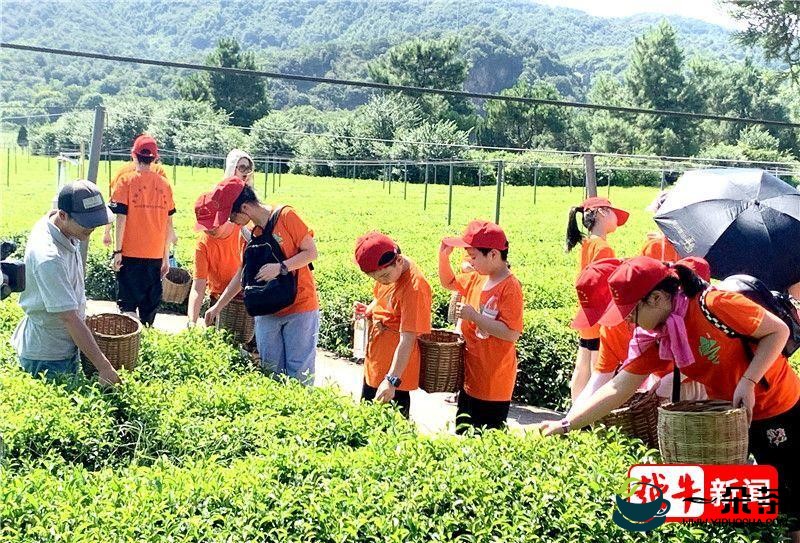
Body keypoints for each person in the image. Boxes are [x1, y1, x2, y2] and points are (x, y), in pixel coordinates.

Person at [540, 256, 800, 540]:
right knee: (750, 499)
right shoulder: (663, 336)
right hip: (731, 417)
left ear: (657, 298)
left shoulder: (714, 305)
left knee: (787, 500)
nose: (628, 321)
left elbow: (778, 331)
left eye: (631, 312)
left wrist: (748, 381)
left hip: (777, 406)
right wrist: (566, 424)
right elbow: (617, 388)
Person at [203, 178, 319, 384]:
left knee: (299, 375)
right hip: (266, 309)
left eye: (232, 215)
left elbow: (311, 252)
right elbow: (242, 274)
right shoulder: (248, 234)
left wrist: (281, 268)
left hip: (300, 305)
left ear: (245, 207)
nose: (231, 221)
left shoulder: (286, 216)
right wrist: (218, 307)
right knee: (270, 373)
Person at [11, 180, 121, 386]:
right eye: (86, 224)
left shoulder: (61, 224)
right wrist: (105, 367)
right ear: (63, 216)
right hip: (47, 357)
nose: (93, 228)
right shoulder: (49, 257)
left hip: (66, 346)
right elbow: (68, 318)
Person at [439, 220, 524, 433]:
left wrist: (474, 317)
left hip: (493, 383)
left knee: (484, 439)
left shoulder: (510, 287)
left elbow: (512, 333)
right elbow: (448, 282)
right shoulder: (478, 277)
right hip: (471, 377)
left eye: (474, 257)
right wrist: (443, 257)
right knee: (464, 432)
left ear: (493, 254)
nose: (470, 262)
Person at [353, 232, 431, 419]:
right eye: (376, 278)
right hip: (377, 363)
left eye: (384, 276)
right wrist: (370, 309)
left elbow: (409, 338)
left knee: (389, 430)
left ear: (398, 260)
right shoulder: (389, 272)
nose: (382, 281)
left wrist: (392, 380)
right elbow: (382, 297)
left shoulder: (415, 288)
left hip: (395, 374)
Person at [565, 196, 629, 402]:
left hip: (587, 312)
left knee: (582, 363)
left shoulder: (588, 244)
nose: (616, 217)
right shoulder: (603, 248)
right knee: (596, 369)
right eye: (612, 212)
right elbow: (604, 285)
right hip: (599, 313)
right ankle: (586, 416)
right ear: (601, 212)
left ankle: (574, 413)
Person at [109, 135, 176, 326]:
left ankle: (130, 348)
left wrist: (117, 251)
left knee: (127, 306)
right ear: (155, 158)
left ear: (133, 155)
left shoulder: (125, 181)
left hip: (130, 253)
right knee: (149, 310)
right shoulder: (165, 185)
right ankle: (146, 345)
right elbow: (168, 225)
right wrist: (165, 256)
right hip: (154, 255)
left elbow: (120, 219)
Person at [187, 192, 247, 325]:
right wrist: (192, 321)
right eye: (205, 227)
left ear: (224, 216)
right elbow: (198, 287)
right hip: (217, 301)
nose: (210, 230)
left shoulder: (243, 231)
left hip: (246, 298)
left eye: (213, 225)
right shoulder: (203, 245)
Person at [102, 159, 169, 247]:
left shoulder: (123, 171)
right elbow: (166, 206)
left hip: (126, 238)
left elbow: (113, 205)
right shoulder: (158, 171)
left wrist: (107, 232)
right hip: (154, 238)